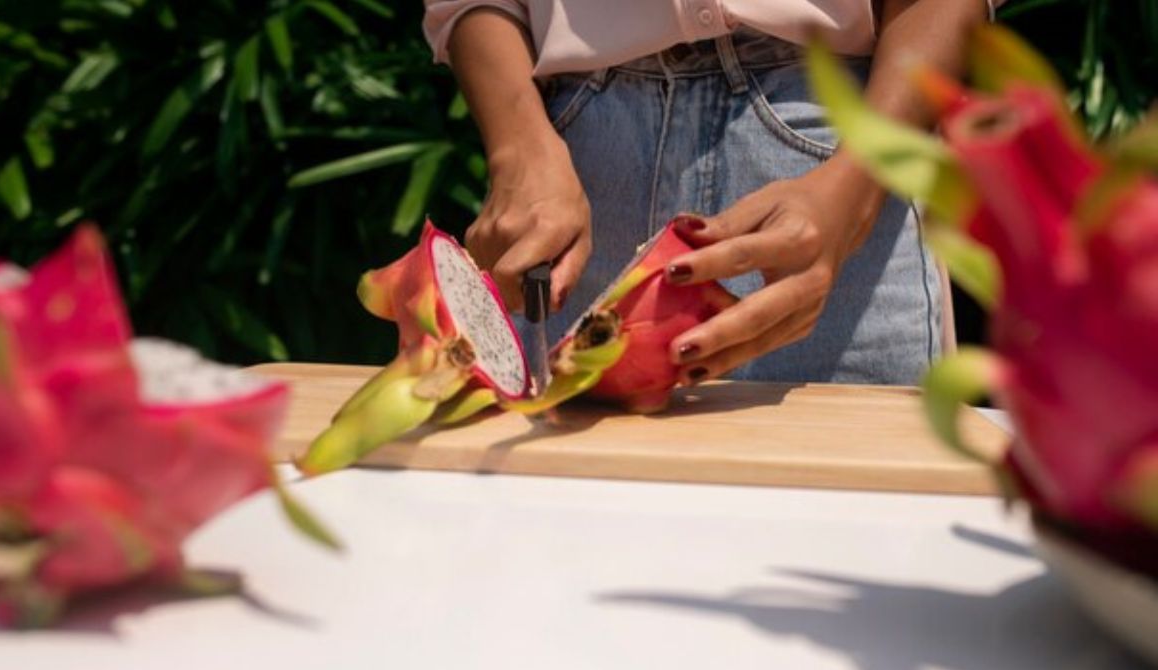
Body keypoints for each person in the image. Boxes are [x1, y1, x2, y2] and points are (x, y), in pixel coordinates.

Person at [421, 0, 999, 385]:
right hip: (580, 169)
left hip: (835, 160)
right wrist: (518, 146)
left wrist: (857, 186)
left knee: (859, 538)